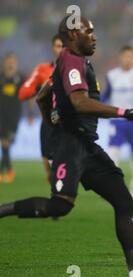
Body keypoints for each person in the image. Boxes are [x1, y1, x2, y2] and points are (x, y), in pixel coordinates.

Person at [0, 16, 133, 277]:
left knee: (123, 199)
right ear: (73, 36)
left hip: (86, 146)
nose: (94, 36)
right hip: (70, 146)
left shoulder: (76, 61)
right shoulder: (71, 60)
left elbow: (43, 96)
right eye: (88, 32)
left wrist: (51, 118)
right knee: (60, 205)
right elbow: (80, 103)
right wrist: (126, 113)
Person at [100, 45, 133, 201]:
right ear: (120, 58)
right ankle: (114, 188)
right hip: (117, 121)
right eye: (125, 56)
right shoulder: (112, 76)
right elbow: (105, 95)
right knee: (112, 154)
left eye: (131, 56)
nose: (128, 59)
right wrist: (96, 107)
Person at [18, 35, 64, 183]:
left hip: (66, 123)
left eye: (63, 46)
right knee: (48, 167)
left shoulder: (75, 71)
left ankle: (62, 193)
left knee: (64, 162)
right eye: (58, 46)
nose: (61, 49)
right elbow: (23, 93)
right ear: (52, 49)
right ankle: (57, 194)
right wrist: (40, 87)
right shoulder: (42, 70)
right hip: (48, 122)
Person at [0, 53, 24, 183]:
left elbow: (29, 93)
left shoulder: (20, 78)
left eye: (12, 62)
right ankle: (7, 171)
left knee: (6, 143)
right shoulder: (1, 78)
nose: (10, 64)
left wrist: (31, 112)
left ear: (16, 63)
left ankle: (6, 170)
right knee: (4, 143)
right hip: (1, 115)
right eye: (8, 61)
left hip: (14, 116)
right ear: (4, 63)